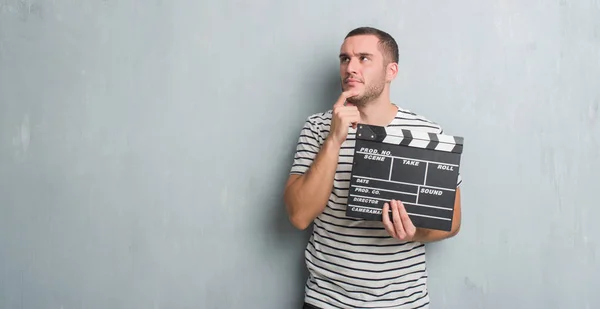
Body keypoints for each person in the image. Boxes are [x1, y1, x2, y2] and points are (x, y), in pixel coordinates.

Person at [283, 26, 463, 309]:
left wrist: (413, 233)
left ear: (391, 71)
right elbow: (299, 215)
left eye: (364, 58)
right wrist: (334, 139)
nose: (350, 67)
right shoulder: (317, 128)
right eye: (345, 59)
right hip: (327, 301)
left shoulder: (426, 133)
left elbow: (451, 222)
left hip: (403, 302)